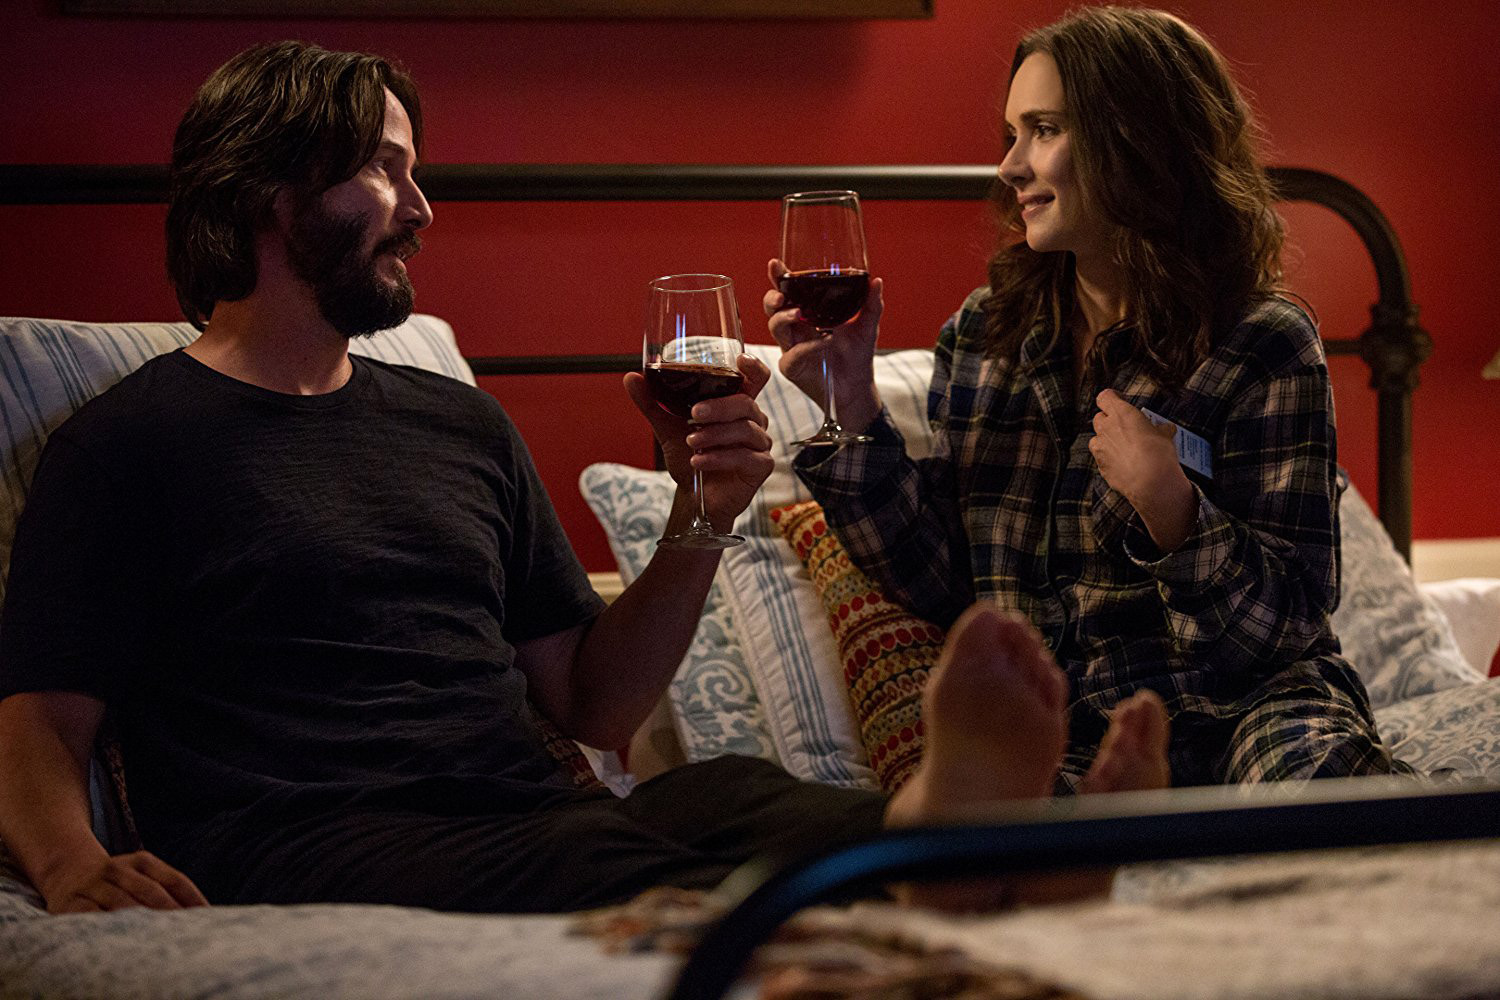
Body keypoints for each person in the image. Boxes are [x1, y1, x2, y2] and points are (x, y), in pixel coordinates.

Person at [0, 40, 1164, 918]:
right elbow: (43, 715)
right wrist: (68, 863)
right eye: (386, 170)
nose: (423, 209)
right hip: (322, 840)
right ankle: (945, 877)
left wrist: (701, 515)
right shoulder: (127, 445)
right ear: (270, 188)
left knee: (733, 795)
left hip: (529, 810)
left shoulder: (459, 422)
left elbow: (595, 707)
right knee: (641, 868)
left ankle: (958, 840)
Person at [769, 6, 1405, 792]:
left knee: (1327, 795)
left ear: (1136, 140)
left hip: (1252, 713)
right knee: (999, 833)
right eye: (1011, 134)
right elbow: (946, 585)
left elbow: (1288, 631)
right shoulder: (985, 336)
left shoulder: (1263, 341)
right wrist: (853, 406)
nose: (1010, 167)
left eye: (1043, 130)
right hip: (1076, 743)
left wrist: (1176, 513)